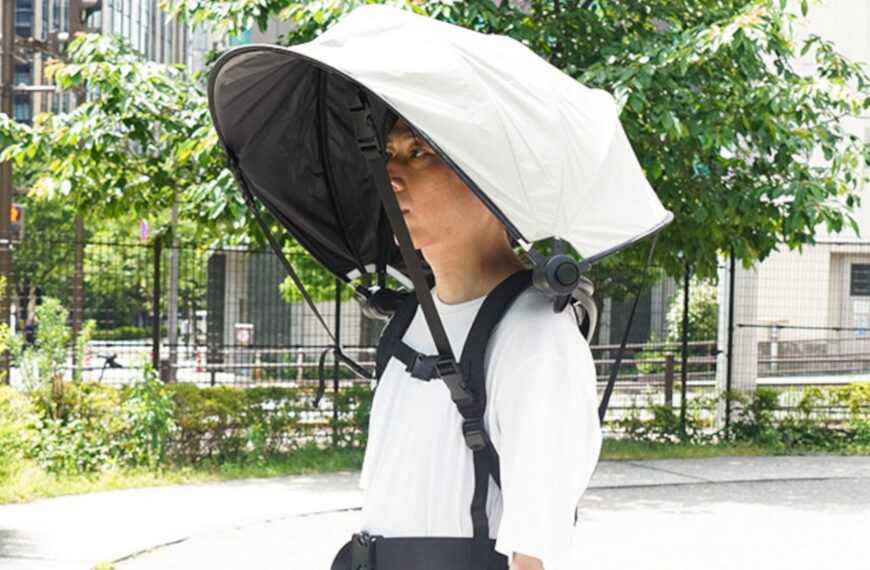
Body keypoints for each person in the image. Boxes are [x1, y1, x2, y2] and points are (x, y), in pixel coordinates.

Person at [355, 117, 603, 570]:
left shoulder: (536, 338)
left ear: (492, 182)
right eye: (388, 154)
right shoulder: (407, 321)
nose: (390, 175)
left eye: (419, 153)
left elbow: (536, 554)